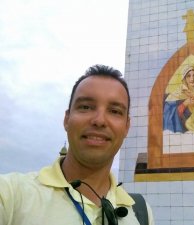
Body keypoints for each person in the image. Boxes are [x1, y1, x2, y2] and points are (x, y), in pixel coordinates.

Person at [0, 64, 154, 225]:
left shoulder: (141, 213)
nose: (99, 120)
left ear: (126, 127)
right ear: (67, 119)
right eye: (86, 107)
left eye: (115, 111)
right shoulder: (10, 196)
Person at [163, 64, 194, 133]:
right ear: (184, 78)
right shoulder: (178, 93)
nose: (192, 79)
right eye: (188, 76)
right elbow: (168, 111)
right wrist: (184, 104)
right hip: (184, 131)